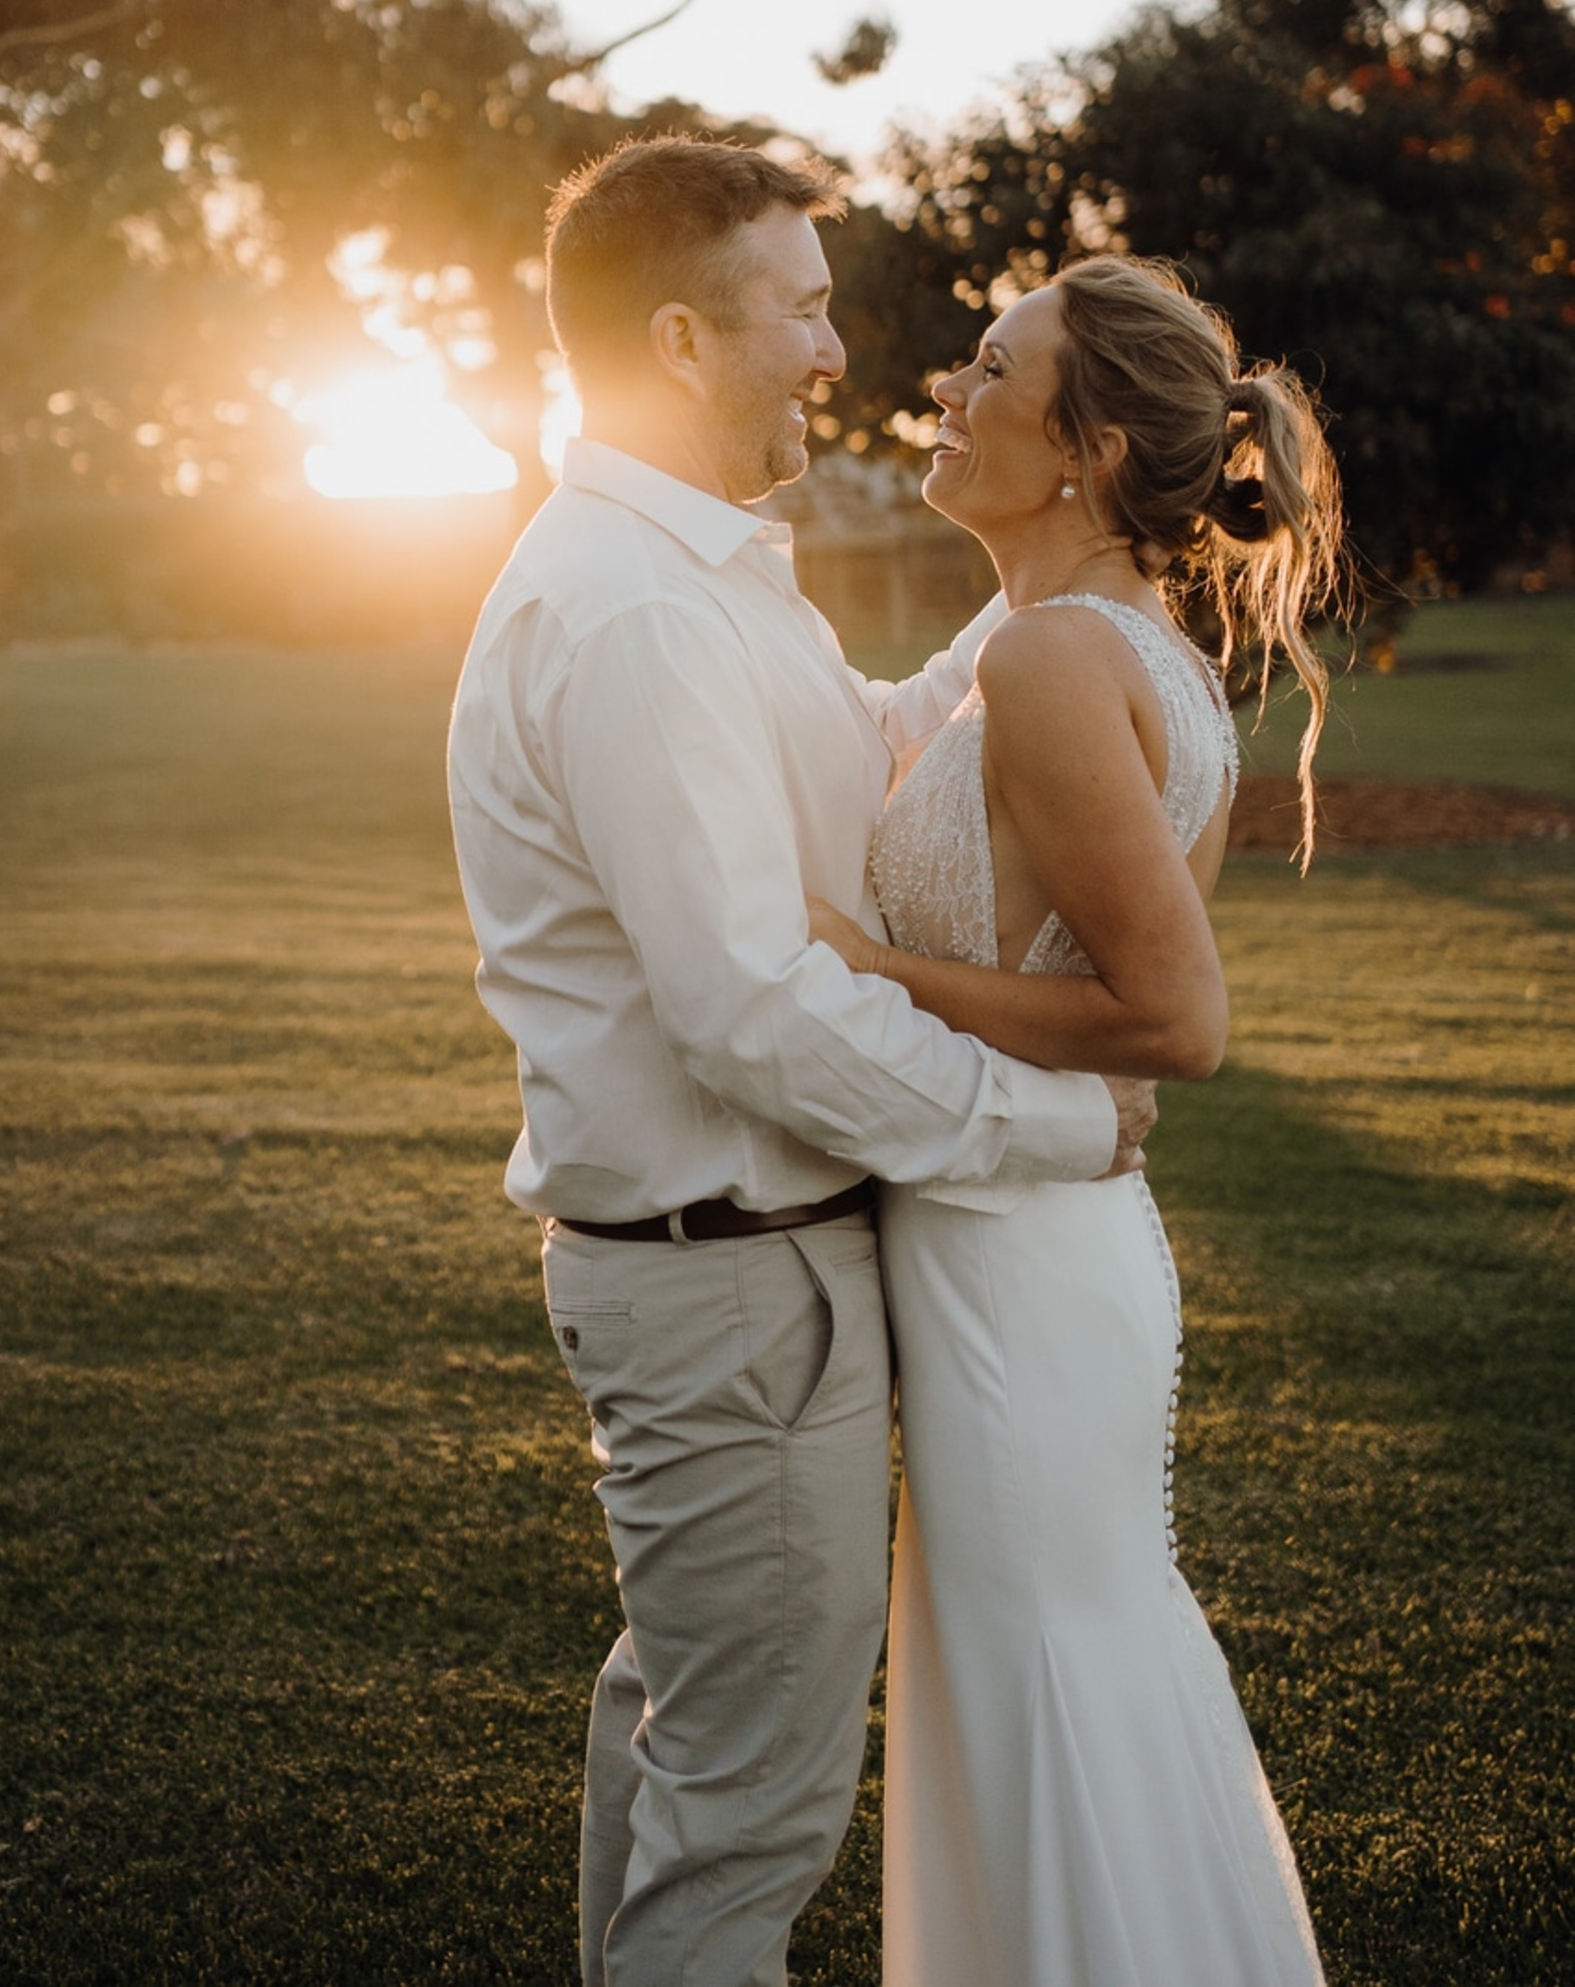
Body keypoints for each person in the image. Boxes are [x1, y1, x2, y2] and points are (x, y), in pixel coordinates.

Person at [446, 137, 1146, 1987]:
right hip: (735, 1286)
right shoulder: (642, 612)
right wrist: (1045, 1123)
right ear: (682, 338)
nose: (838, 350)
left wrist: (1055, 568)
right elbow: (750, 1003)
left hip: (736, 1282)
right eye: (804, 308)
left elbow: (878, 747)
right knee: (748, 1815)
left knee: (692, 1741)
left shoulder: (701, 580)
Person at [806, 253, 1341, 1985]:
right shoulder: (1065, 640)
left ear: (1092, 451)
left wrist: (872, 967)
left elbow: (1173, 1018)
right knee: (1043, 1671)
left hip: (1023, 1273)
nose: (945, 399)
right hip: (1026, 1242)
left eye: (987, 370)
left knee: (1046, 1677)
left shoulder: (1050, 663)